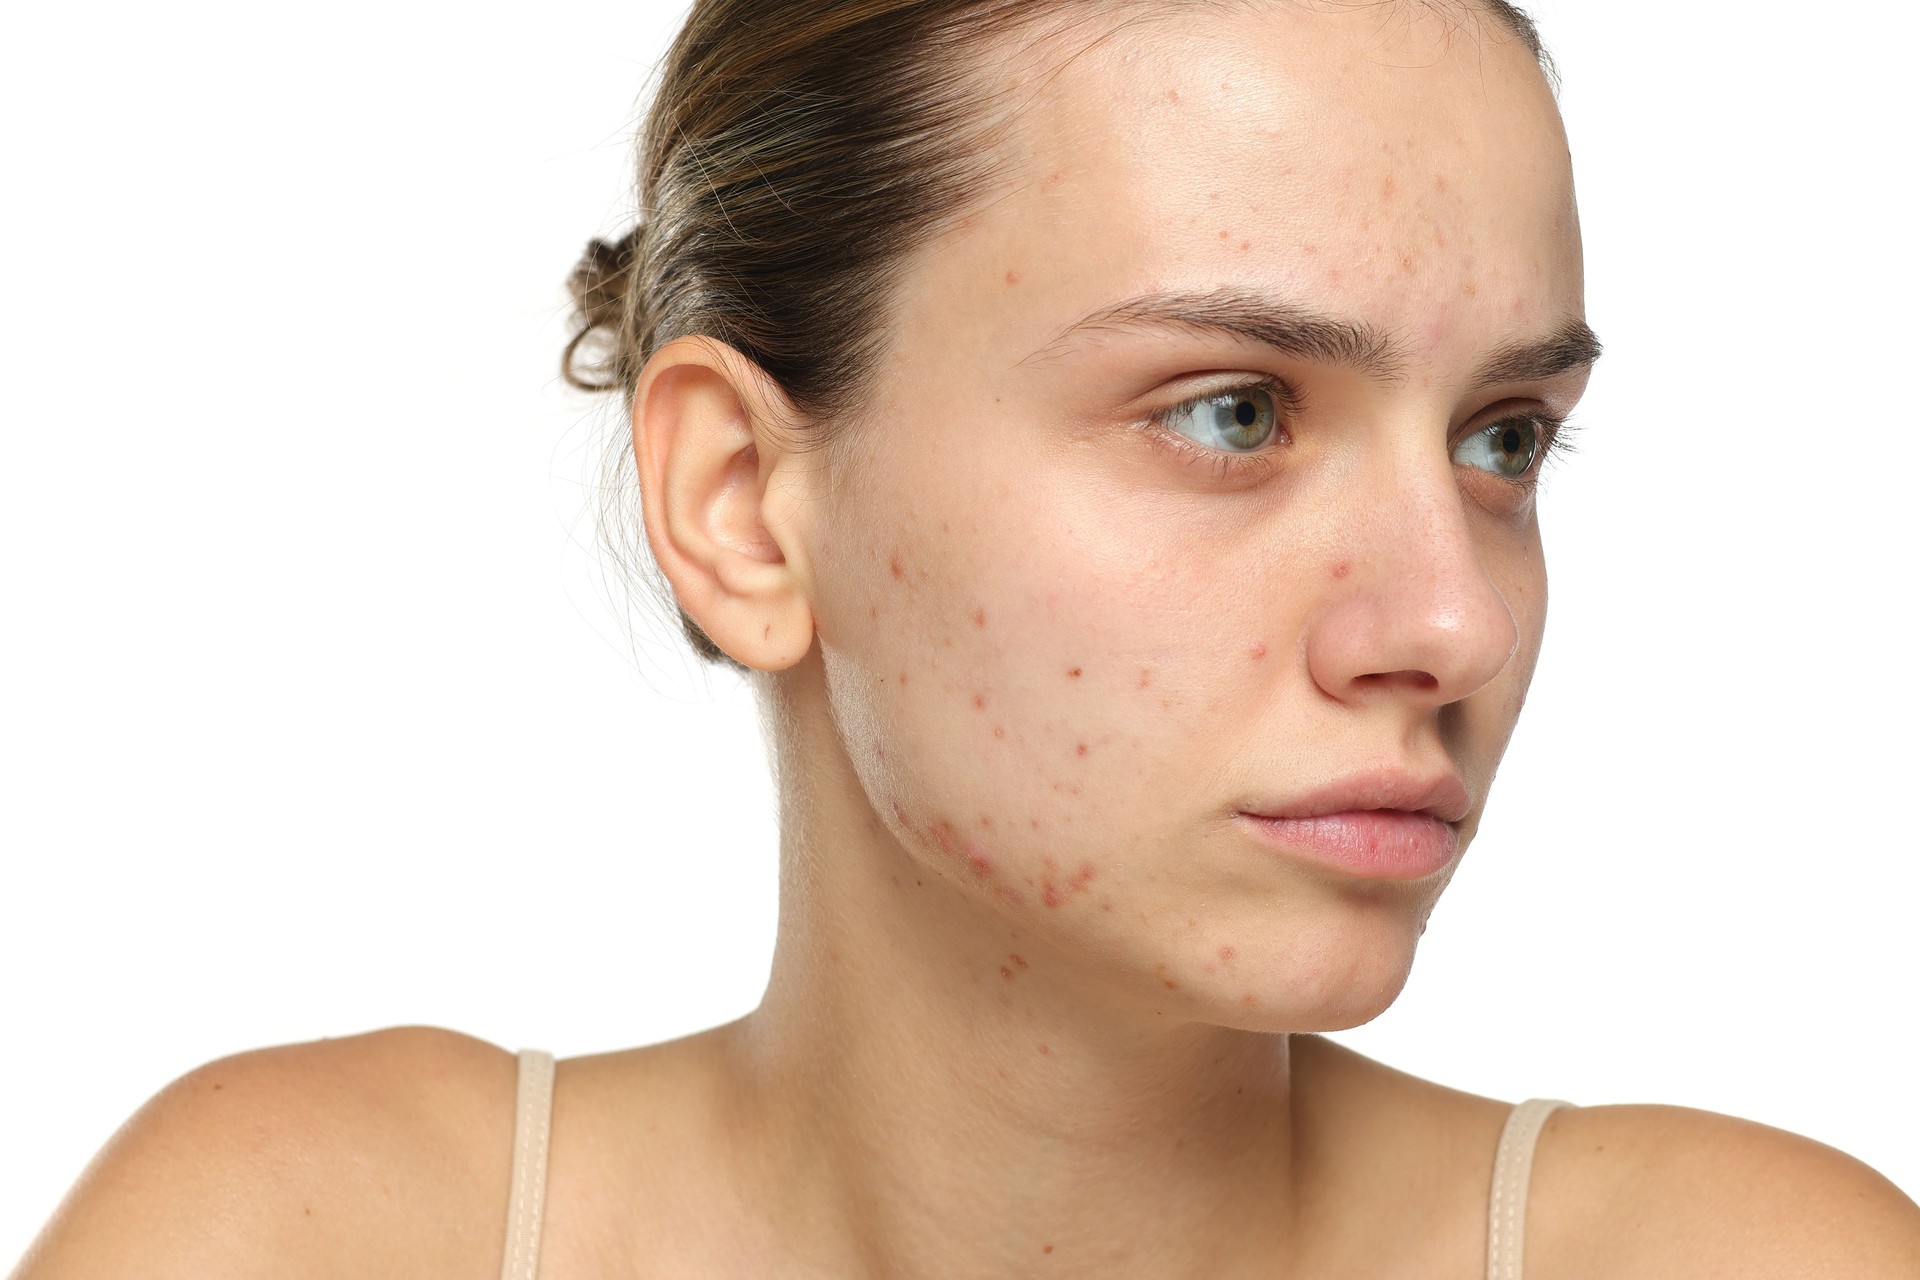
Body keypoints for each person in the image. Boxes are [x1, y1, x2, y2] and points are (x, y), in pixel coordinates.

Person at [13, 1, 1920, 1276]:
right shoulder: (304, 1239)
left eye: (1505, 440)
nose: (1451, 616)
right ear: (746, 505)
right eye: (1233, 412)